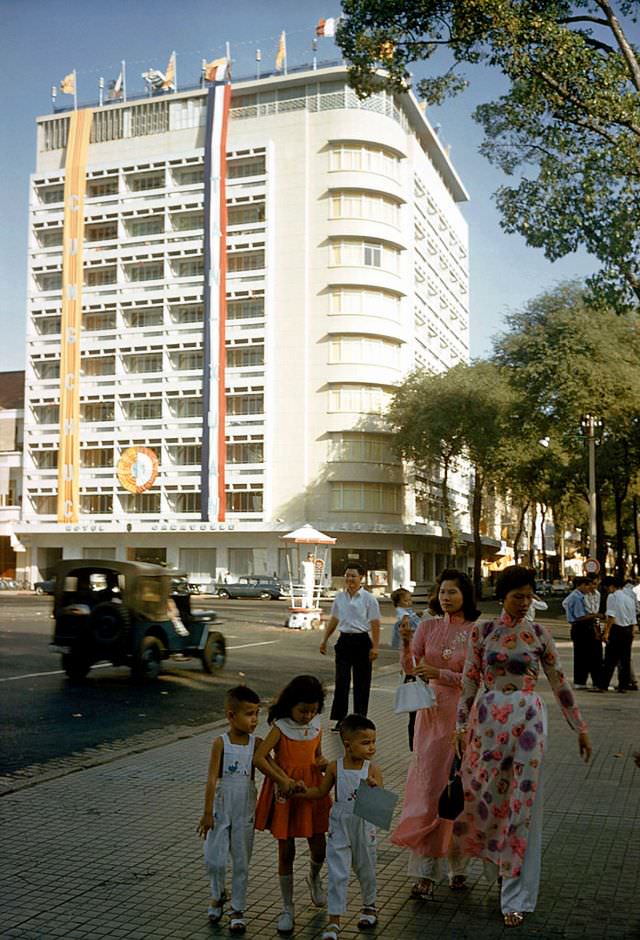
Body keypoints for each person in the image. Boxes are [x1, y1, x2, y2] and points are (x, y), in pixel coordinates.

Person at [455, 565, 592, 928]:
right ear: (503, 596)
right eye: (518, 596)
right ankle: (497, 870)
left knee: (522, 806)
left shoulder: (539, 634)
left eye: (530, 596)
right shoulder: (482, 631)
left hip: (528, 723)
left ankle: (516, 894)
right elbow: (469, 681)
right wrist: (459, 725)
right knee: (486, 801)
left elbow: (560, 683)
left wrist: (579, 727)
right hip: (487, 722)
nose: (524, 603)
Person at [390, 568, 480, 899]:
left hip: (462, 717)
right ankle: (425, 873)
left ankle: (459, 867)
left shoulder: (475, 632)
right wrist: (403, 643)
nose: (446, 597)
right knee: (429, 788)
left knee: (459, 790)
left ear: (465, 595)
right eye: (442, 591)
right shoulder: (426, 626)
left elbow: (477, 677)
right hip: (429, 716)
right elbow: (411, 668)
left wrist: (440, 673)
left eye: (453, 592)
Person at [253, 675, 332, 935]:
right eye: (303, 710)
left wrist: (323, 763)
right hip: (285, 793)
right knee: (286, 852)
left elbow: (317, 756)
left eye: (313, 710)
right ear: (290, 705)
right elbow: (260, 757)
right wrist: (282, 779)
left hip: (312, 791)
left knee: (319, 847)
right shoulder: (281, 726)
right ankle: (287, 907)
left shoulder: (317, 724)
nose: (308, 715)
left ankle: (314, 877)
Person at [295, 714, 382, 940]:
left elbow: (379, 801)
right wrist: (302, 791)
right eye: (365, 742)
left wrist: (374, 787)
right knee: (337, 871)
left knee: (366, 866)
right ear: (347, 744)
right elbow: (321, 792)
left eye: (373, 741)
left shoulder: (372, 768)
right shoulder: (335, 767)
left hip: (364, 822)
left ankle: (369, 906)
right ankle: (334, 921)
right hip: (339, 823)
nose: (371, 747)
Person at [197, 685, 262, 933]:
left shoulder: (257, 744)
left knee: (242, 860)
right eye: (248, 713)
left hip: (245, 807)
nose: (254, 719)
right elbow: (212, 778)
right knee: (214, 858)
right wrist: (206, 813)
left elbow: (272, 766)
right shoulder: (220, 743)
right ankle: (217, 893)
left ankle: (237, 908)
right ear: (231, 715)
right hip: (222, 806)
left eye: (257, 713)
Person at [320, 564, 381, 728]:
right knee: (342, 681)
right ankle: (341, 718)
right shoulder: (340, 597)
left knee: (362, 683)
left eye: (353, 576)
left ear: (361, 577)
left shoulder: (369, 598)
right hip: (344, 642)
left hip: (362, 642)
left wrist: (375, 647)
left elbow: (375, 623)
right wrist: (325, 639)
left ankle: (360, 718)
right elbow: (334, 619)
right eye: (347, 575)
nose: (349, 579)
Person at [390, 587, 422, 750]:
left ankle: (415, 747)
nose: (409, 603)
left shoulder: (408, 616)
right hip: (414, 673)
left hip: (412, 671)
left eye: (410, 600)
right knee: (416, 715)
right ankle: (415, 747)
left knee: (415, 715)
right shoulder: (404, 617)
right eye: (406, 600)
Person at [562, 577, 603, 690]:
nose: (589, 588)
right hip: (582, 627)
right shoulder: (577, 597)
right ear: (580, 585)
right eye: (587, 585)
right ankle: (583, 681)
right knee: (587, 655)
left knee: (584, 655)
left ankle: (582, 681)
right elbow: (580, 616)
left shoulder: (581, 596)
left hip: (585, 626)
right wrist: (596, 615)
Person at [601, 576, 638, 693]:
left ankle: (603, 684)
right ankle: (623, 684)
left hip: (616, 630)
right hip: (627, 631)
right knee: (625, 660)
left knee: (610, 659)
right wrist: (632, 632)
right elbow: (633, 618)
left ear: (611, 586)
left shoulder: (612, 597)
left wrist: (606, 633)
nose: (607, 590)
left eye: (607, 588)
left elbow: (611, 616)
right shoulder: (629, 598)